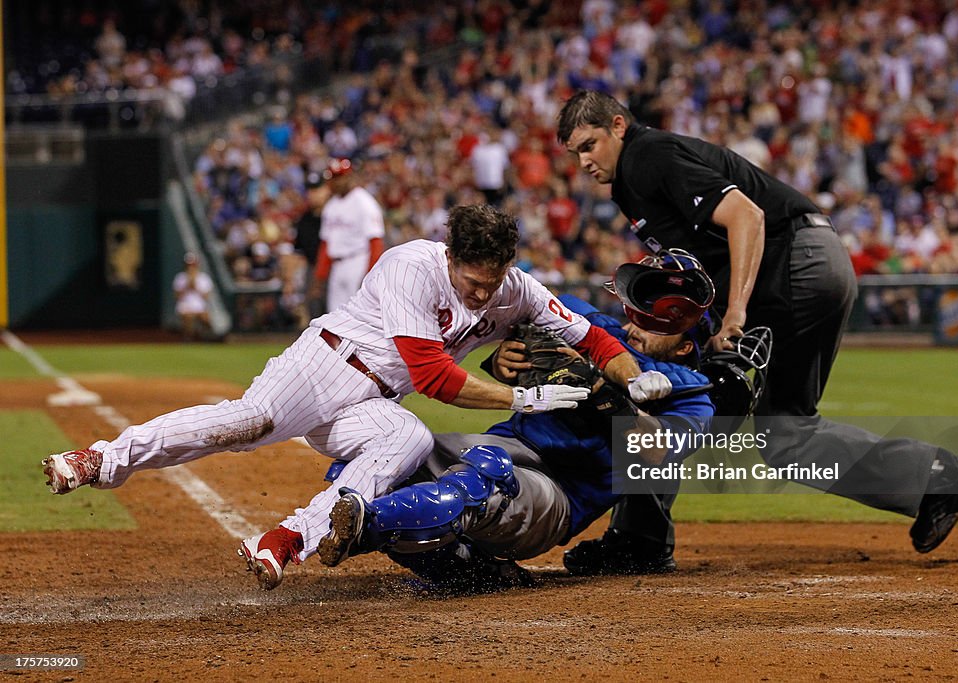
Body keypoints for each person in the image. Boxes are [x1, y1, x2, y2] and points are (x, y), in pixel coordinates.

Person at [42, 204, 672, 590]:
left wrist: (633, 376)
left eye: (493, 282)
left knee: (410, 438)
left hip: (378, 399)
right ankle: (104, 459)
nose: (482, 296)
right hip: (327, 364)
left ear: (508, 264)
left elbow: (589, 335)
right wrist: (525, 397)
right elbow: (434, 377)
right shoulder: (410, 265)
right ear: (451, 257)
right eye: (473, 283)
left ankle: (289, 538)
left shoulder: (520, 291)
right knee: (247, 421)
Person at [553, 90, 958, 573]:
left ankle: (639, 539)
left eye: (590, 145)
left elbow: (746, 215)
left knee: (666, 397)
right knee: (788, 435)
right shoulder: (631, 177)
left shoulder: (646, 154)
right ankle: (936, 477)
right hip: (815, 262)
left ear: (617, 126)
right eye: (575, 154)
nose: (585, 161)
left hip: (790, 266)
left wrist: (735, 313)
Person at [311, 277, 718, 593]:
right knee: (384, 455)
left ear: (685, 347)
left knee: (482, 477)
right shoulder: (595, 326)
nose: (635, 328)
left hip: (558, 492)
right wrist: (504, 358)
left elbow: (653, 453)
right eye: (639, 313)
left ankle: (368, 527)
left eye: (660, 324)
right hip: (509, 441)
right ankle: (467, 572)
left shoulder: (693, 401)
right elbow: (519, 308)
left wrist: (602, 393)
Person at [313, 157, 386, 312]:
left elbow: (376, 242)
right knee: (335, 315)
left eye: (339, 178)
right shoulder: (331, 206)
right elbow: (326, 245)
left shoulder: (364, 202)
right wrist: (320, 276)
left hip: (358, 261)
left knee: (359, 315)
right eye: (333, 178)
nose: (335, 182)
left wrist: (370, 275)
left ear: (349, 177)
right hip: (337, 265)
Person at [172, 252, 214, 341]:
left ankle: (206, 337)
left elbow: (206, 297)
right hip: (185, 305)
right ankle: (188, 338)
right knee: (188, 316)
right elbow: (177, 296)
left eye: (193, 265)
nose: (191, 267)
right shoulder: (180, 277)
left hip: (200, 306)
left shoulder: (204, 277)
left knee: (206, 318)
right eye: (189, 265)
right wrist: (187, 285)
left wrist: (195, 285)